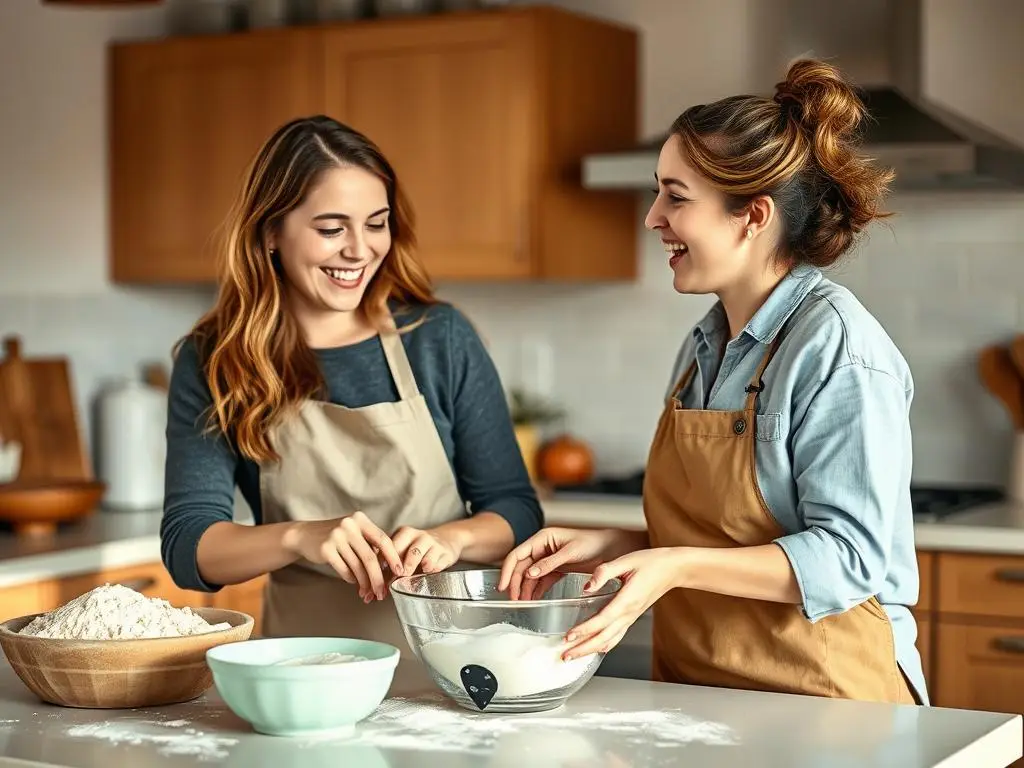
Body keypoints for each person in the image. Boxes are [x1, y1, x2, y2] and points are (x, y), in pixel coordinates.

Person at [499, 58, 928, 706]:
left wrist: (672, 564)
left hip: (828, 706)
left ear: (752, 217)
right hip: (700, 697)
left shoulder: (837, 347)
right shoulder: (704, 345)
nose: (653, 218)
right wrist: (613, 546)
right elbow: (729, 543)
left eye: (676, 197)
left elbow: (850, 560)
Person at [161, 115, 543, 657]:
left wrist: (451, 537)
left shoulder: (438, 338)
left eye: (377, 224)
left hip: (453, 664)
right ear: (270, 232)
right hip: (305, 667)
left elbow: (516, 510)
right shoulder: (217, 359)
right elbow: (188, 546)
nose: (360, 250)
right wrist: (299, 535)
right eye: (331, 229)